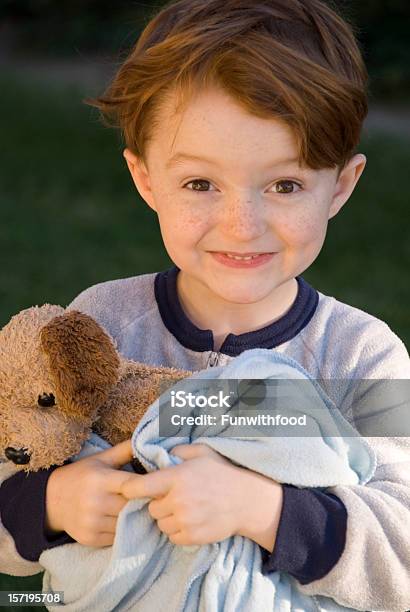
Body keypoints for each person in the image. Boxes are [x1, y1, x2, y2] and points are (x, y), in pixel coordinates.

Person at [1, 0, 409, 609]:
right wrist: (53, 503)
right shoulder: (98, 326)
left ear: (340, 187)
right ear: (145, 181)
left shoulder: (359, 355)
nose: (242, 226)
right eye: (200, 184)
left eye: (285, 185)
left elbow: (401, 560)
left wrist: (264, 510)